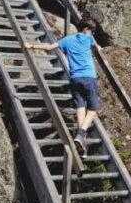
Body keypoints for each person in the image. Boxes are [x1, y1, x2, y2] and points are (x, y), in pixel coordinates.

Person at [24, 17, 102, 153]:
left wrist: (32, 46)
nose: (93, 33)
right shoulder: (89, 39)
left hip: (75, 78)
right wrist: (96, 47)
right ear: (86, 29)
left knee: (80, 106)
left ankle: (81, 142)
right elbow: (98, 49)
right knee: (92, 110)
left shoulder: (67, 39)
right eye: (93, 31)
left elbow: (49, 48)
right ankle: (81, 133)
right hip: (89, 77)